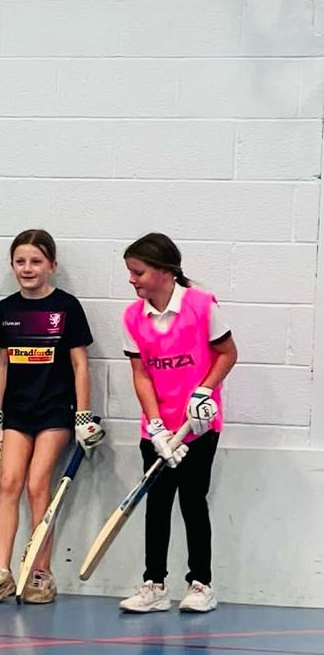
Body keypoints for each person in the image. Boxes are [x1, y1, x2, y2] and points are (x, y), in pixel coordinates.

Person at [0, 230, 102, 604]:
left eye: (35, 261)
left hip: (55, 413)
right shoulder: (6, 310)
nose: (27, 268)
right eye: (20, 261)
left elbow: (80, 365)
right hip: (17, 412)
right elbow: (3, 366)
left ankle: (40, 574)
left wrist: (83, 416)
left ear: (52, 266)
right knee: (9, 483)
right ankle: (1, 572)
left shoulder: (67, 308)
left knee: (36, 485)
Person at [117, 233, 237, 614]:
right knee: (158, 503)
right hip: (158, 430)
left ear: (165, 272)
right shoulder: (132, 317)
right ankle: (154, 584)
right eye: (130, 273)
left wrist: (204, 391)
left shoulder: (201, 305)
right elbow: (142, 375)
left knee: (192, 500)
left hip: (198, 426)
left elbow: (227, 353)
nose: (132, 280)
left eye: (138, 272)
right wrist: (155, 426)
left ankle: (201, 583)